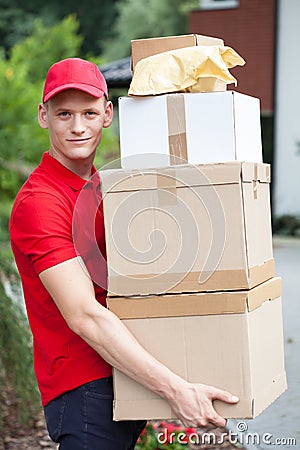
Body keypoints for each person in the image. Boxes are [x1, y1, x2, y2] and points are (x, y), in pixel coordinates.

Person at [9, 57, 239, 450]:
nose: (78, 127)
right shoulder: (41, 202)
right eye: (64, 113)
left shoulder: (107, 189)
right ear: (43, 115)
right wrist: (174, 389)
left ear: (108, 114)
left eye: (89, 112)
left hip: (121, 378)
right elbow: (85, 315)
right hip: (84, 391)